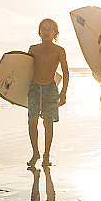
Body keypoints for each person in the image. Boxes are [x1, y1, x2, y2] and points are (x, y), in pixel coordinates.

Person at [27, 18, 68, 167]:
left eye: (49, 29)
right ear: (39, 31)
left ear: (55, 32)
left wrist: (63, 92)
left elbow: (65, 72)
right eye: (43, 29)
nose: (45, 31)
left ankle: (46, 155)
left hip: (50, 88)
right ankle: (35, 153)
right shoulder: (33, 49)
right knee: (32, 121)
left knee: (48, 123)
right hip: (34, 88)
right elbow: (25, 69)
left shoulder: (59, 50)